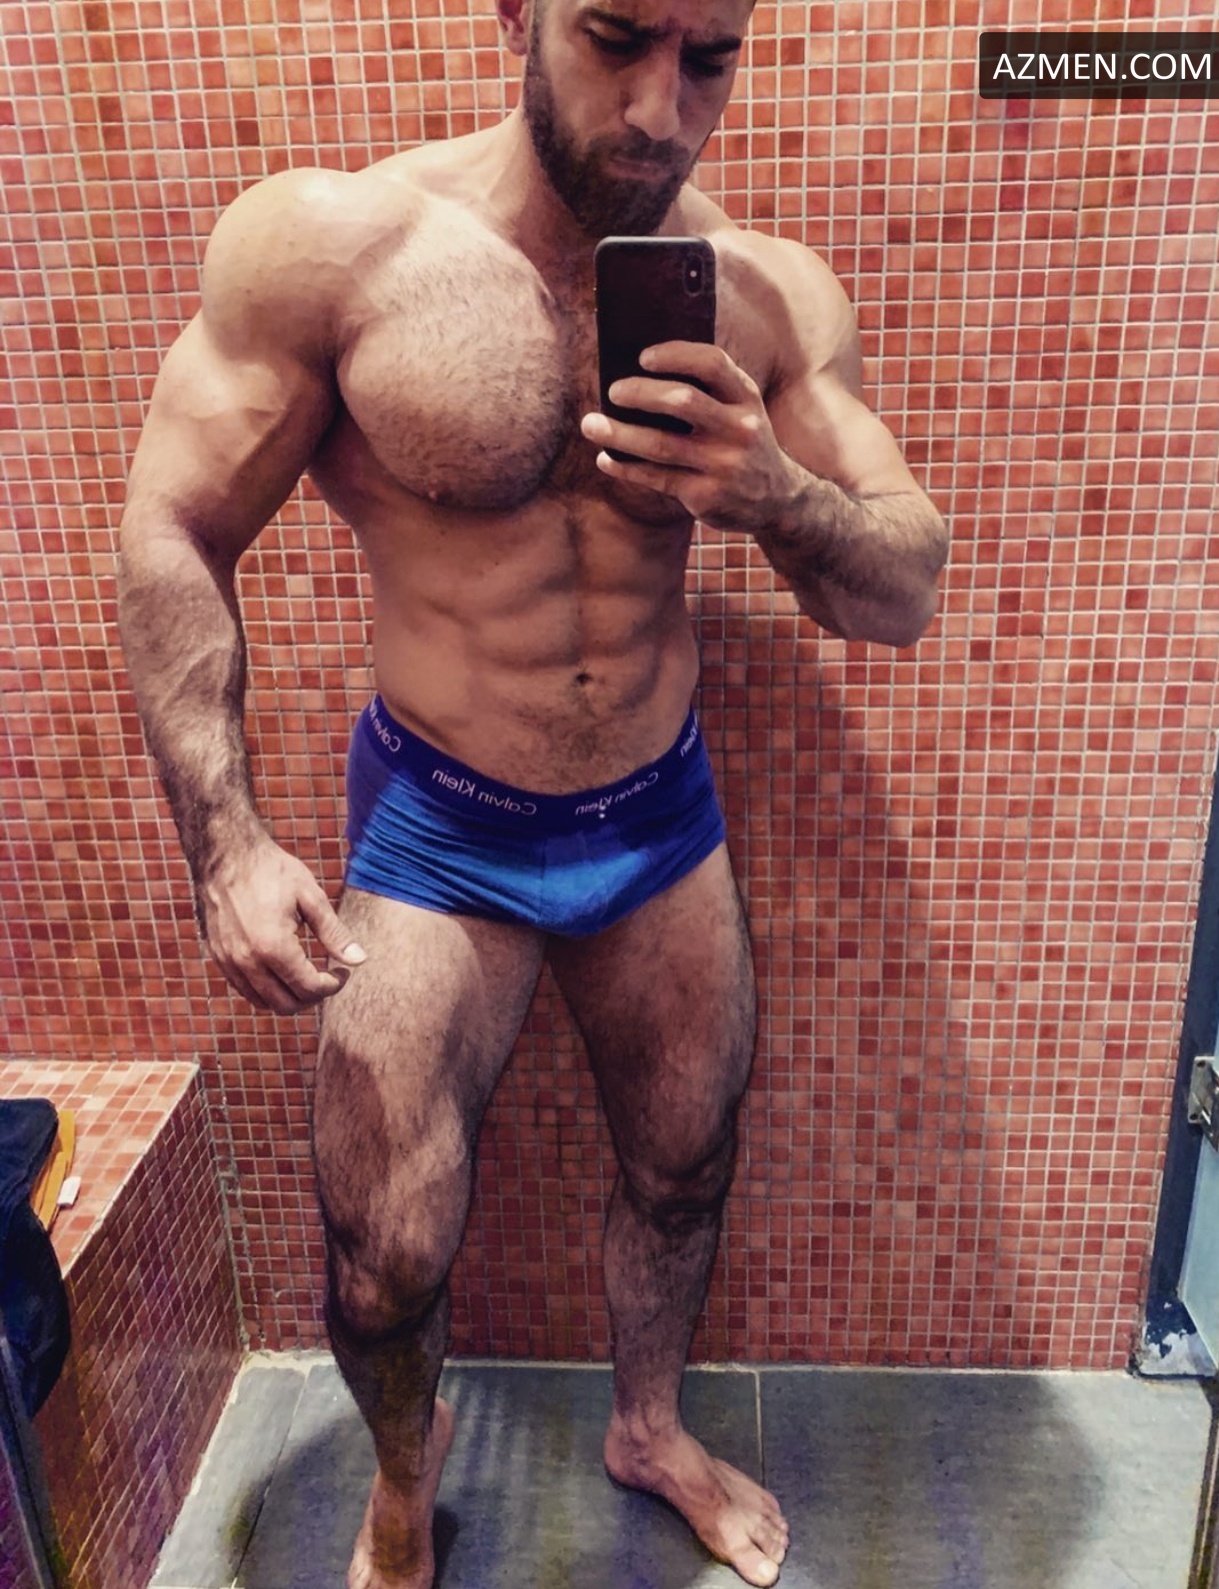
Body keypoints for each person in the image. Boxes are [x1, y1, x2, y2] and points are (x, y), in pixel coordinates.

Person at [117, 0, 947, 1581]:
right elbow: (173, 524)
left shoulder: (765, 294)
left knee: (684, 1167)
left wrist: (773, 494)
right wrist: (226, 846)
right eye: (617, 35)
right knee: (383, 1250)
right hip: (442, 826)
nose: (661, 108)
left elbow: (904, 586)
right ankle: (402, 1485)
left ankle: (648, 1427)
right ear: (516, 9)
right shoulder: (336, 249)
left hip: (653, 817)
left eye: (710, 58)